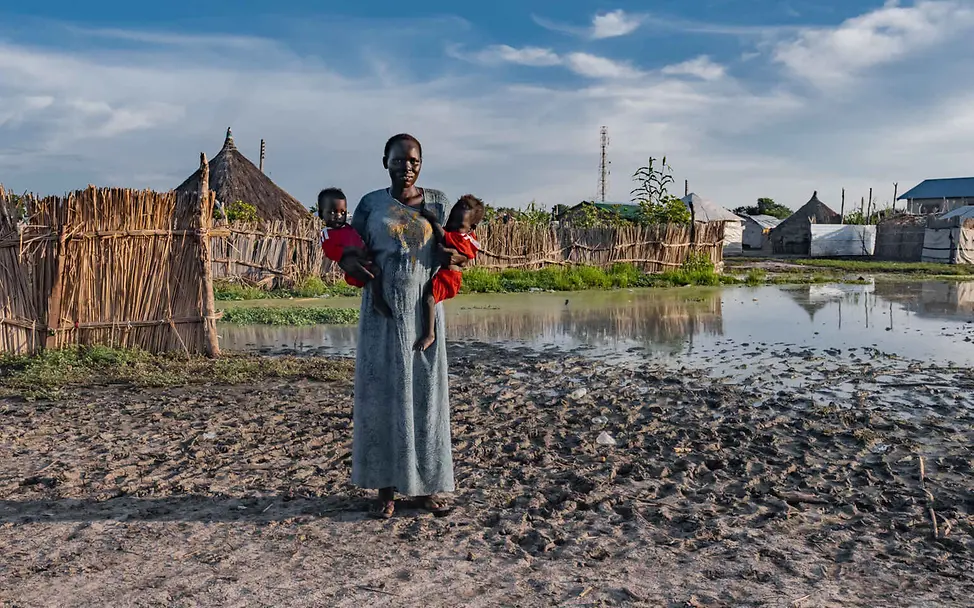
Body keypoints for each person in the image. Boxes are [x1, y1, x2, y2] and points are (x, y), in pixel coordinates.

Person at [338, 133, 469, 519]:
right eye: (399, 161)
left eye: (413, 161)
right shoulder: (371, 205)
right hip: (380, 314)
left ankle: (427, 486)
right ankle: (386, 488)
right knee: (382, 394)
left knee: (426, 395)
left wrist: (456, 259)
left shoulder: (439, 203)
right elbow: (349, 248)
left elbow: (461, 251)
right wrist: (349, 264)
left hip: (422, 314)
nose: (407, 167)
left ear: (421, 164)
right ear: (385, 162)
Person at [413, 194, 484, 351]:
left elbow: (443, 236)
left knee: (429, 299)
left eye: (458, 225)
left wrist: (432, 219)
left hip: (449, 278)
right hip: (445, 274)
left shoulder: (462, 238)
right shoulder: (465, 235)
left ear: (472, 227)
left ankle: (429, 334)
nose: (452, 226)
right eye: (450, 221)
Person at [318, 188, 391, 317]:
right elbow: (331, 252)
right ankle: (377, 302)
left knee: (378, 272)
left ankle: (382, 298)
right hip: (354, 265)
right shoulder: (327, 233)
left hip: (364, 259)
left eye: (343, 212)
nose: (338, 216)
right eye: (333, 212)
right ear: (321, 214)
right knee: (371, 276)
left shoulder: (348, 227)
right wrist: (350, 250)